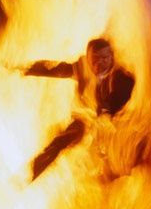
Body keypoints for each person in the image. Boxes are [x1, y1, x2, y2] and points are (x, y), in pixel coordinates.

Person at [24, 38, 135, 180]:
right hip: (87, 119)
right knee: (60, 141)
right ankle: (28, 176)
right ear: (88, 58)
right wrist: (28, 69)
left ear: (112, 56)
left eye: (104, 58)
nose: (99, 63)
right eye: (94, 59)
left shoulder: (121, 75)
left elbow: (118, 97)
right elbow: (59, 70)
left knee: (112, 168)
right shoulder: (83, 67)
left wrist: (106, 111)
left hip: (117, 126)